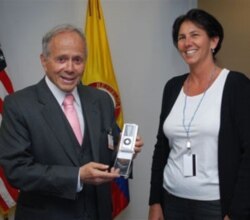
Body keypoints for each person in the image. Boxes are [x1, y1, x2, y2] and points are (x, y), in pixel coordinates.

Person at [0, 24, 143, 220]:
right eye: (61, 59)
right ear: (44, 61)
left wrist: (125, 153)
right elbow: (17, 171)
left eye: (77, 60)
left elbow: (108, 157)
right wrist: (77, 176)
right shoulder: (18, 105)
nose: (70, 68)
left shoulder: (100, 100)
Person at [148, 8, 250, 220]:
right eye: (181, 37)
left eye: (195, 35)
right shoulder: (172, 87)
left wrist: (237, 212)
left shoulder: (235, 85)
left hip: (216, 206)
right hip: (171, 200)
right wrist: (155, 201)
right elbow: (161, 148)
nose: (187, 43)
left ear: (213, 41)